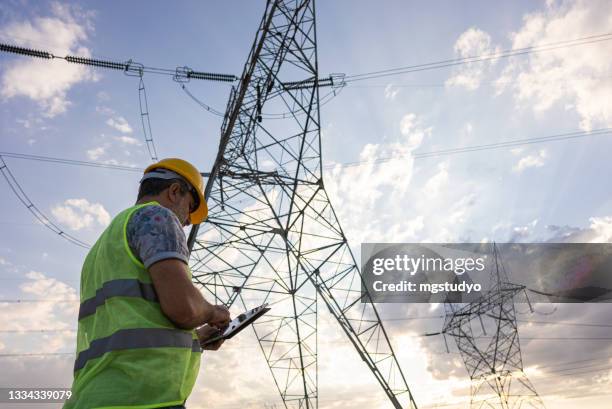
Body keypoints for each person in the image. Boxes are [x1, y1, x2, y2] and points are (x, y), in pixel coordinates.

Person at [63, 158, 231, 409]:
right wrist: (213, 312)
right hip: (141, 397)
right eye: (190, 207)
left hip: (95, 396)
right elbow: (184, 309)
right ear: (174, 191)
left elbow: (131, 323)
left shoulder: (104, 244)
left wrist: (196, 339)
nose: (187, 222)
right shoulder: (157, 217)